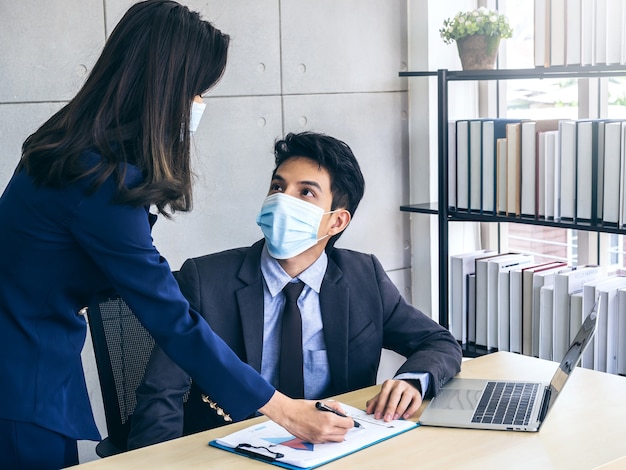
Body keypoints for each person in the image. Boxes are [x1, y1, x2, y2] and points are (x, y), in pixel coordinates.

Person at [0, 3, 351, 469]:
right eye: (198, 90)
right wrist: (285, 410)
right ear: (165, 90)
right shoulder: (100, 181)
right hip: (21, 377)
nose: (199, 105)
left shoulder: (67, 150)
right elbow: (171, 320)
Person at [127, 131, 462, 449]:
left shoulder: (365, 276)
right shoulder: (205, 279)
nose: (282, 200)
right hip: (233, 451)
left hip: (337, 449)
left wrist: (412, 381)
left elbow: (438, 343)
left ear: (337, 221)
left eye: (305, 192)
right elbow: (162, 395)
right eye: (277, 186)